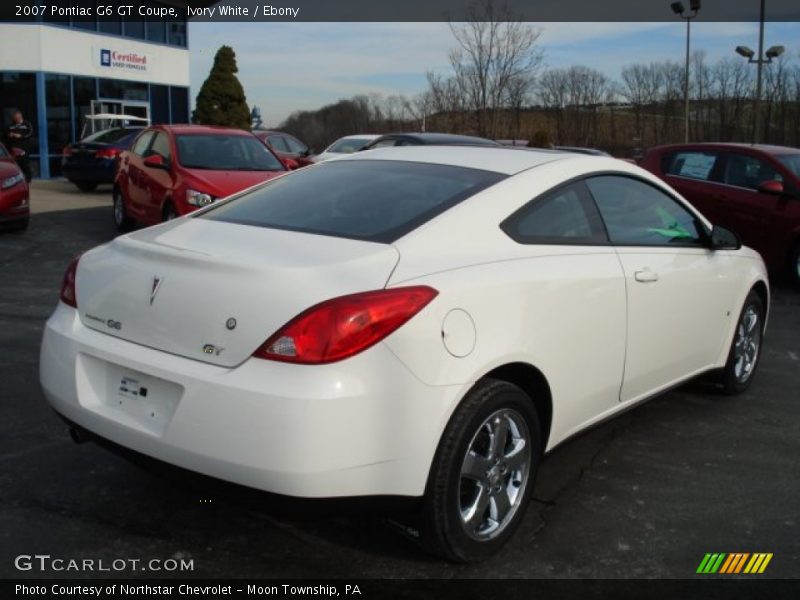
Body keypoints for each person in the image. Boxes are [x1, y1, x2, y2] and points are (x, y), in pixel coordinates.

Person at [6, 110, 34, 182]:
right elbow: (6, 135)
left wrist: (21, 136)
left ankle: (28, 179)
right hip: (14, 149)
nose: (17, 120)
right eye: (15, 118)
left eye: (18, 118)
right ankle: (18, 180)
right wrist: (10, 135)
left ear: (21, 117)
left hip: (24, 148)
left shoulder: (27, 124)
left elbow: (30, 133)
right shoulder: (11, 126)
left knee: (25, 164)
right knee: (16, 165)